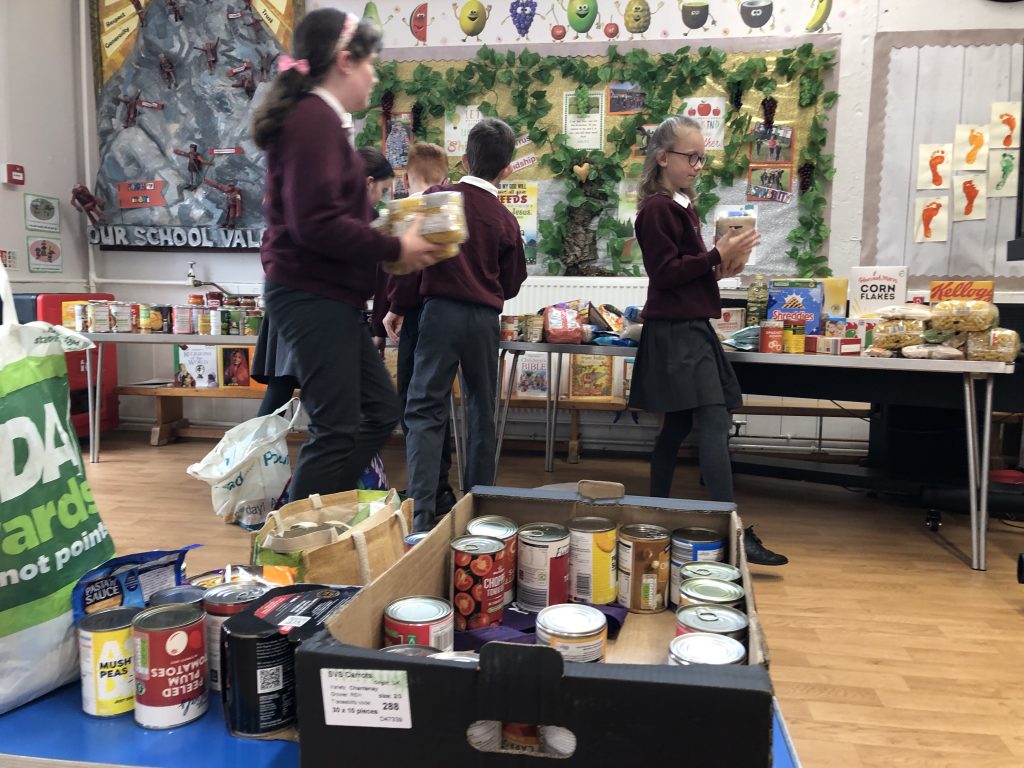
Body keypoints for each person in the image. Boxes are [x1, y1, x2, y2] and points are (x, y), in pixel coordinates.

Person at [251, 7, 440, 501]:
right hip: (310, 295)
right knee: (336, 426)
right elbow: (317, 225)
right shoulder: (312, 120)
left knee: (378, 411)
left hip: (330, 296)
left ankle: (319, 515)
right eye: (370, 63)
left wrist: (391, 244)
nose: (375, 74)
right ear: (343, 61)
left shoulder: (324, 122)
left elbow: (328, 217)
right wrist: (395, 245)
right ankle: (286, 540)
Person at [628, 114, 787, 566]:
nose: (699, 165)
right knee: (713, 423)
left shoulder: (680, 205)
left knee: (678, 426)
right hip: (677, 332)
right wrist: (715, 255)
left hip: (688, 327)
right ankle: (731, 531)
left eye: (702, 157)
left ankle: (655, 516)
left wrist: (723, 264)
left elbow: (687, 269)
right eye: (690, 157)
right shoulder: (657, 209)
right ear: (663, 158)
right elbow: (664, 273)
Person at [390, 119, 526, 531]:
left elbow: (411, 263)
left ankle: (422, 516)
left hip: (439, 316)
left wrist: (398, 305)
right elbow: (513, 282)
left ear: (464, 158)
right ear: (506, 170)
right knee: (482, 409)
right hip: (484, 320)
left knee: (425, 409)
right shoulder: (505, 219)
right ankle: (479, 512)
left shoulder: (437, 198)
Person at [375, 142, 457, 517]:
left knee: (415, 407)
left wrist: (392, 308)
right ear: (445, 174)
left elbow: (404, 270)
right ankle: (439, 484)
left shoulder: (412, 210)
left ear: (407, 177)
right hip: (449, 321)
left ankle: (426, 488)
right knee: (437, 405)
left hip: (417, 320)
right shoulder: (453, 208)